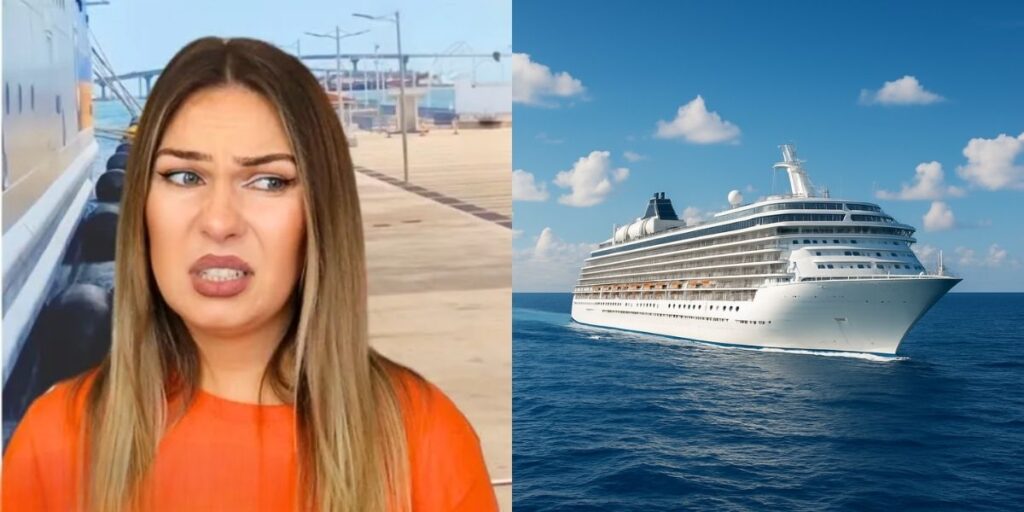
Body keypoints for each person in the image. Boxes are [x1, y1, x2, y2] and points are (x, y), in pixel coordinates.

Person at [1, 37, 497, 512]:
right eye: (184, 176)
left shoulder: (425, 441)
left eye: (267, 181)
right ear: (142, 210)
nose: (219, 221)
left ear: (320, 214)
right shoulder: (53, 444)